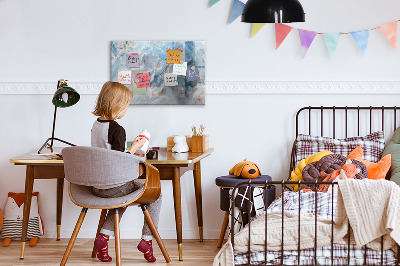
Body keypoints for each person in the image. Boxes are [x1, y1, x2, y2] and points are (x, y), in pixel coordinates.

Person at [91, 81, 161, 263]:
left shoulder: (96, 125)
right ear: (117, 105)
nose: (126, 109)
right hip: (114, 186)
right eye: (126, 105)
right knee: (156, 194)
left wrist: (130, 149)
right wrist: (135, 149)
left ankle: (103, 238)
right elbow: (118, 161)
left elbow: (108, 154)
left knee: (121, 198)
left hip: (97, 186)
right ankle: (147, 240)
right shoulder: (117, 129)